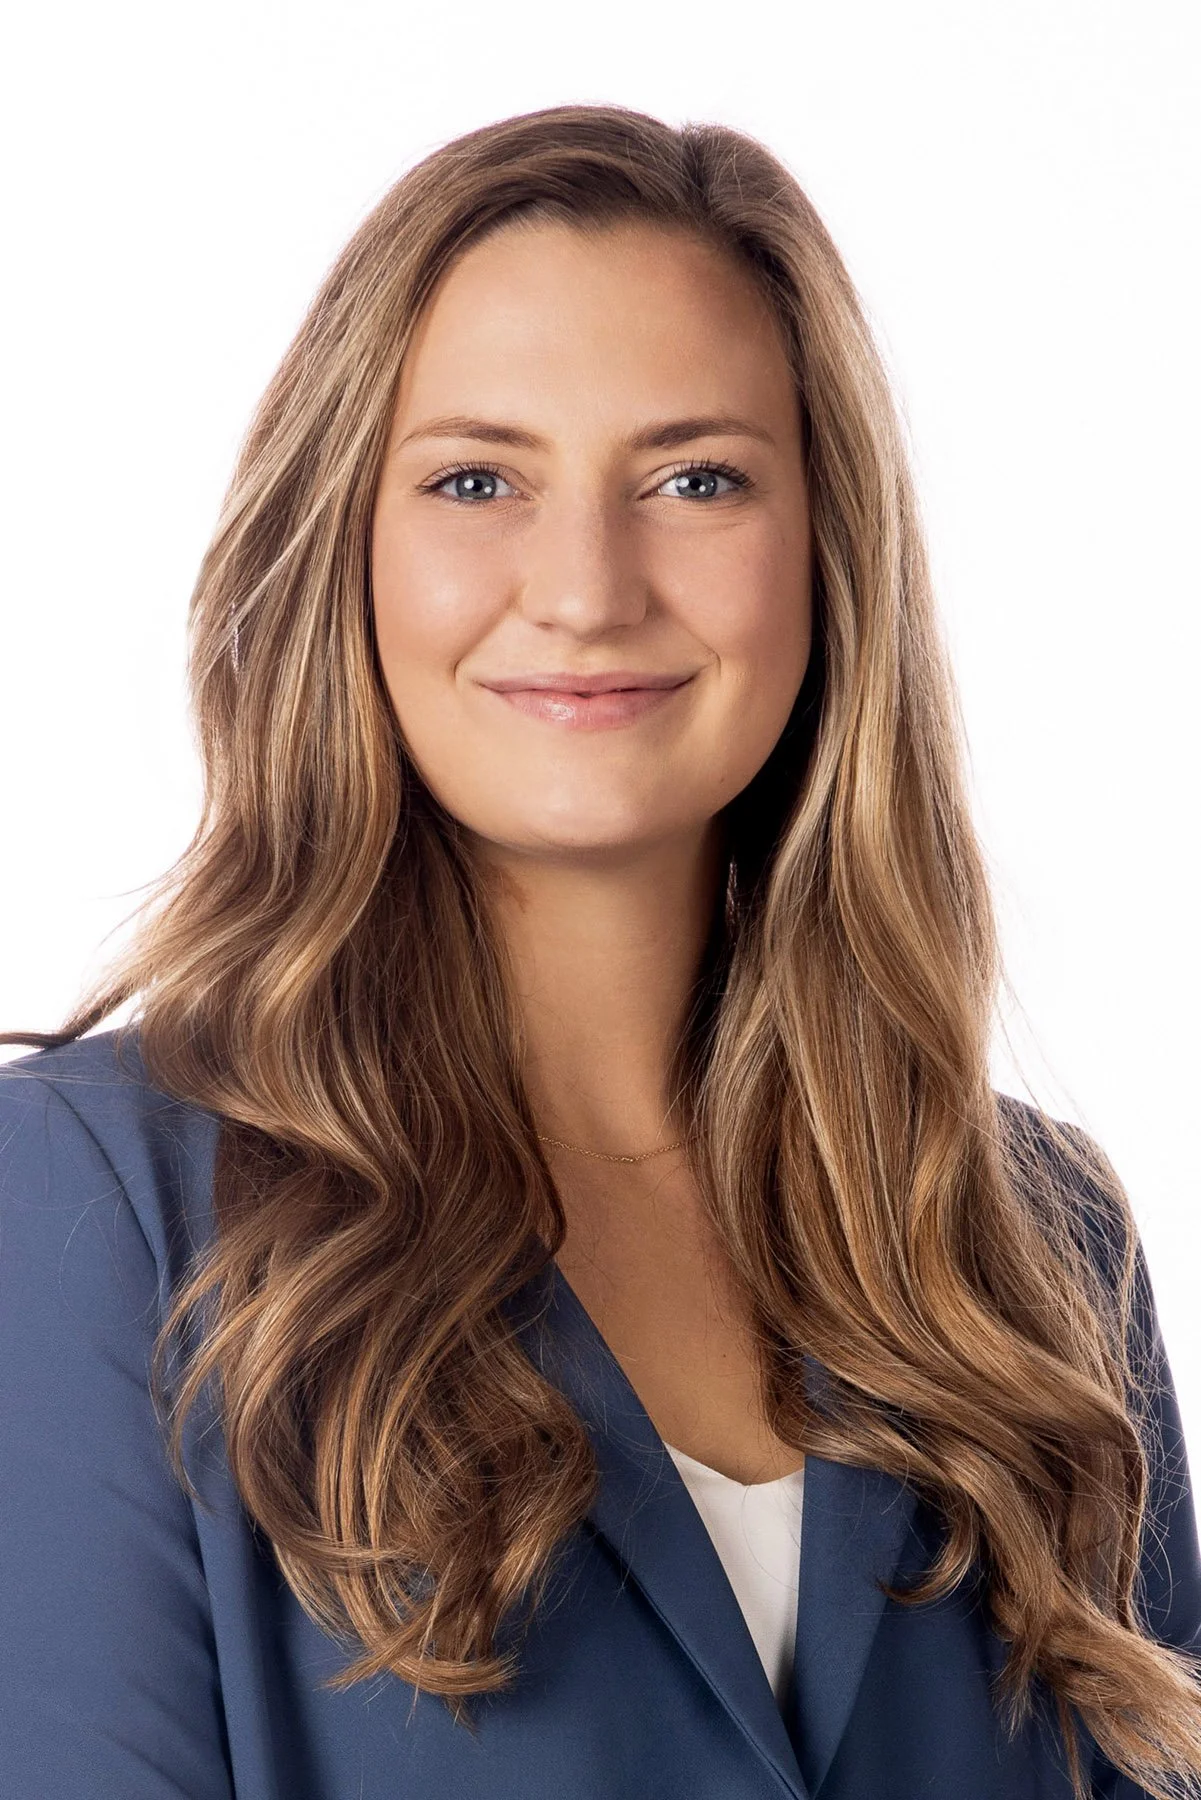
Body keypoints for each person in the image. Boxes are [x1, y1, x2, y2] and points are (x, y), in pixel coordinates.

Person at [0, 102, 1198, 1800]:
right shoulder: (90, 1211)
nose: (585, 584)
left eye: (696, 479)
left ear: (825, 557)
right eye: (477, 478)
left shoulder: (1035, 1252)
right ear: (343, 541)